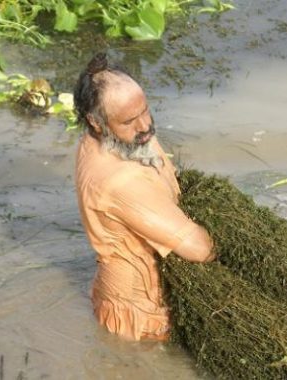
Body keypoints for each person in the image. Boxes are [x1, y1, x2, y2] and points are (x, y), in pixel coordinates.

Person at [73, 53, 216, 341]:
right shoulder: (120, 181)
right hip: (138, 317)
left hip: (120, 295)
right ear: (96, 122)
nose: (145, 126)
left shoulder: (112, 139)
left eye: (145, 111)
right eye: (129, 121)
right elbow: (200, 249)